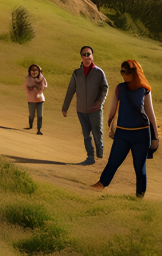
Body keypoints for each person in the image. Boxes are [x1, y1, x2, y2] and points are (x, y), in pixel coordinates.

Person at [91, 60, 159, 197]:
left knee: (140, 168)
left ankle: (140, 196)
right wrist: (111, 125)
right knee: (113, 162)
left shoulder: (144, 90)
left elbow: (150, 114)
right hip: (122, 133)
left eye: (126, 71)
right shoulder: (120, 88)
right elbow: (112, 109)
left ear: (134, 72)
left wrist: (156, 137)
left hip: (141, 135)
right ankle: (101, 184)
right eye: (121, 71)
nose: (123, 74)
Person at [62, 46, 108, 165]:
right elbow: (71, 90)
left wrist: (99, 103)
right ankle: (90, 157)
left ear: (92, 55)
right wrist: (65, 107)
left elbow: (104, 88)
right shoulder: (77, 73)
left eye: (89, 54)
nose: (87, 56)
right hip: (81, 110)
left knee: (97, 133)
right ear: (81, 57)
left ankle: (100, 156)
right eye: (84, 54)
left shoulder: (99, 72)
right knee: (86, 134)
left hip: (95, 110)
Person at [25, 64, 47, 134]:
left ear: (39, 71)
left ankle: (39, 130)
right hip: (31, 99)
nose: (34, 72)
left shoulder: (42, 78)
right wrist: (33, 90)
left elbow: (45, 85)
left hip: (40, 99)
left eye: (36, 70)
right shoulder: (28, 78)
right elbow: (27, 87)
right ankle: (30, 125)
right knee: (32, 114)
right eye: (32, 70)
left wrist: (39, 92)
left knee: (40, 115)